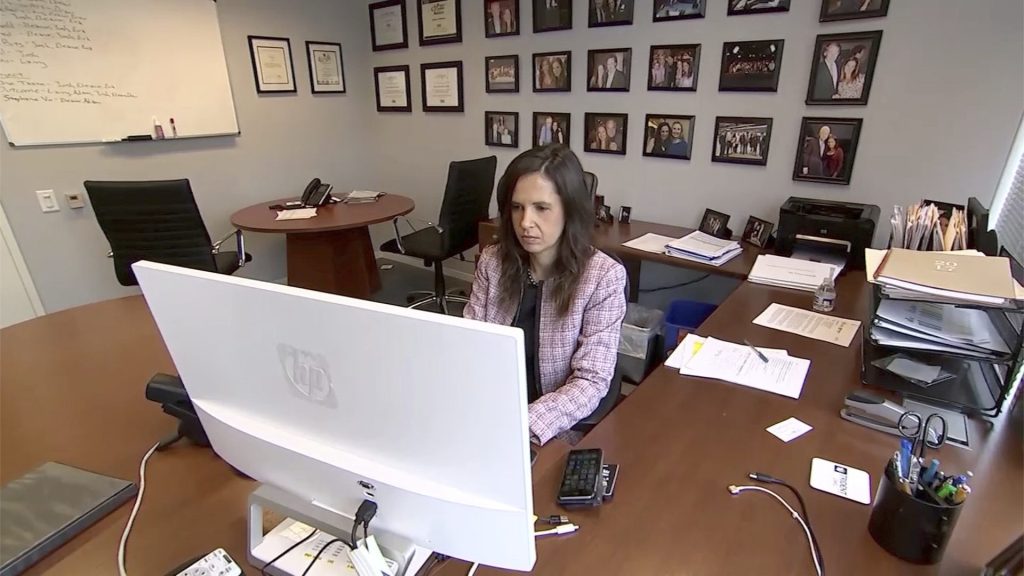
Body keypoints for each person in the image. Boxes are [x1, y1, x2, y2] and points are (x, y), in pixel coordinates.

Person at [463, 145, 627, 445]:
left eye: (541, 208)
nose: (525, 222)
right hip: (488, 412)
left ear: (569, 210)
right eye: (517, 207)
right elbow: (470, 345)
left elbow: (591, 380)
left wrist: (521, 424)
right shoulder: (493, 261)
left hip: (550, 427)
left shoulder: (603, 277)